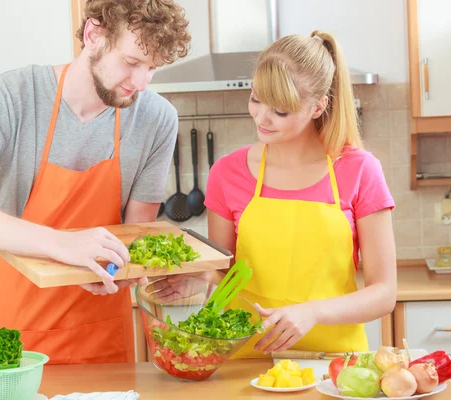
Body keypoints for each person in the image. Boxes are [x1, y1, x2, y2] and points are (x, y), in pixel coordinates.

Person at [0, 0, 191, 364]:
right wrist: (60, 244)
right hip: (12, 331)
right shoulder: (10, 96)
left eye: (153, 68)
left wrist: (121, 272)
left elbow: (135, 232)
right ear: (93, 34)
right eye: (131, 62)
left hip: (100, 334)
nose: (141, 83)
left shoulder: (157, 119)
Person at [146, 30, 397, 357]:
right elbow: (229, 273)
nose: (261, 118)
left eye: (280, 111)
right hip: (247, 362)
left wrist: (312, 312)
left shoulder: (359, 170)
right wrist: (203, 279)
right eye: (255, 98)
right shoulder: (227, 173)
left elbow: (384, 293)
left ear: (318, 107)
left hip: (334, 367)